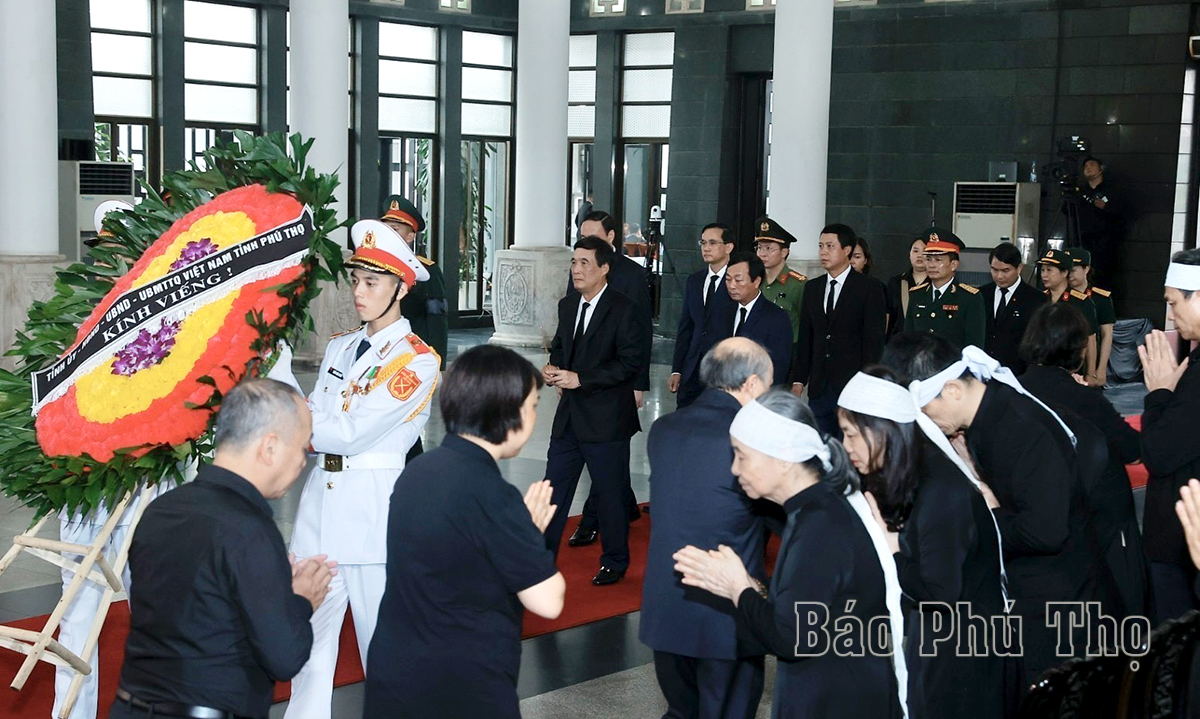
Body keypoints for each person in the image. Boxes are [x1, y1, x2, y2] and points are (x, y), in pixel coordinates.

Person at [271, 219, 440, 719]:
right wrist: (277, 368)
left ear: (400, 287)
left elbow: (346, 432)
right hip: (320, 514)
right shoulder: (342, 346)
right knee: (310, 653)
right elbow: (319, 415)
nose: (359, 292)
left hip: (372, 523)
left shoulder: (416, 361)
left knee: (383, 656)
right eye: (357, 280)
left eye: (372, 282)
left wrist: (289, 399)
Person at [882, 335, 1097, 690]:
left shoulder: (1020, 428)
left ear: (951, 390)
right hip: (1024, 590)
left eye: (926, 411)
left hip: (1052, 601)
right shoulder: (983, 419)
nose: (928, 423)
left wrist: (989, 513)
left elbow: (1045, 531)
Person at [673, 391, 905, 719]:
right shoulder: (813, 510)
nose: (734, 468)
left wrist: (738, 589)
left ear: (782, 457)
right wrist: (747, 586)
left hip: (838, 701)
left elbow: (792, 638)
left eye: (741, 455)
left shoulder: (820, 523)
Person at [110, 379, 334, 719]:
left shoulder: (163, 510)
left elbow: (199, 610)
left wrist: (270, 587)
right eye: (302, 448)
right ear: (269, 447)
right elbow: (285, 656)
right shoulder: (248, 529)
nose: (303, 462)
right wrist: (300, 600)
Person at [363, 346, 565, 719]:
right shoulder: (491, 493)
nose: (535, 416)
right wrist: (528, 535)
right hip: (459, 683)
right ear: (509, 411)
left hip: (395, 673)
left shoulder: (418, 471)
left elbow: (457, 560)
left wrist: (515, 535)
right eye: (533, 406)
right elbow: (548, 601)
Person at [837, 369, 1016, 719]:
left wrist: (892, 548)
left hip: (964, 655)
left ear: (883, 432)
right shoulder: (912, 470)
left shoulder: (940, 491)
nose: (846, 447)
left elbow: (940, 593)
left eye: (851, 435)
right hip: (939, 641)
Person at [56, 200, 165, 719]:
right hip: (84, 483)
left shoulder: (166, 319)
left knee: (156, 608)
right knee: (76, 610)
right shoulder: (74, 313)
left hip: (146, 483)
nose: (113, 262)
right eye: (107, 249)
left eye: (125, 250)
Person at [642, 338, 774, 719]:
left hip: (666, 609)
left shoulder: (664, 429)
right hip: (726, 616)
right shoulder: (750, 439)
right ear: (750, 385)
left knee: (683, 710)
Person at [1018, 302, 1147, 621]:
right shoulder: (1087, 400)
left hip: (1031, 530)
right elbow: (1133, 449)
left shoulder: (1013, 391)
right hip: (1096, 526)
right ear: (1076, 348)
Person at [543, 236, 649, 585]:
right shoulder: (568, 305)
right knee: (553, 492)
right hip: (570, 417)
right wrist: (553, 367)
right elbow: (561, 346)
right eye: (574, 262)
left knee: (609, 495)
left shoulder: (625, 309)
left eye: (585, 263)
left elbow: (628, 364)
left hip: (606, 420)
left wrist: (581, 378)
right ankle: (540, 564)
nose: (576, 269)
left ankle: (615, 561)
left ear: (605, 268)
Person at [569, 210, 651, 546]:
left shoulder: (631, 275)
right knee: (604, 460)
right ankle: (624, 504)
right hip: (583, 381)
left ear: (612, 237)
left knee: (608, 456)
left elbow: (642, 332)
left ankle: (592, 520)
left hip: (618, 380)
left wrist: (639, 383)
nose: (587, 242)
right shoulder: (577, 269)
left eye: (595, 236)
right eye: (582, 235)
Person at [1139, 248, 1200, 622]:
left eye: (1175, 303)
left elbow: (1159, 453)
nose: (1172, 315)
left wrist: (1159, 394)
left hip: (1182, 543)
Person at [792, 223, 887, 438]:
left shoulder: (869, 288)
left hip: (852, 385)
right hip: (818, 387)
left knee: (850, 448)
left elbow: (873, 341)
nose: (823, 252)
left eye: (829, 246)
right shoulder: (813, 287)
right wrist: (799, 380)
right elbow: (807, 337)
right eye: (820, 246)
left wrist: (867, 382)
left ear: (847, 250)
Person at [381, 195, 446, 463]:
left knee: (406, 421)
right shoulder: (379, 267)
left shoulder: (427, 271)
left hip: (413, 358)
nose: (390, 233)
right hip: (384, 355)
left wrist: (438, 363)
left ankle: (413, 470)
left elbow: (437, 318)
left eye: (396, 229)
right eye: (387, 228)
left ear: (410, 236)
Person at [669, 223, 735, 408]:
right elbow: (686, 327)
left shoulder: (737, 282)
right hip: (692, 370)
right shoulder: (695, 281)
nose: (706, 248)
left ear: (728, 247)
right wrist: (677, 370)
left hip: (724, 371)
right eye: (703, 242)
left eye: (713, 243)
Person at [720, 252, 793, 386]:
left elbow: (778, 367)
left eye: (738, 280)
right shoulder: (722, 311)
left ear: (757, 281)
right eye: (728, 279)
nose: (731, 286)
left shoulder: (776, 317)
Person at [905, 229, 985, 350]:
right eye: (929, 259)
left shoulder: (969, 297)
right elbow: (908, 339)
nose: (931, 265)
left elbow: (974, 347)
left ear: (953, 265)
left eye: (938, 260)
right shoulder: (917, 294)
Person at [981, 241, 1046, 375]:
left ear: (1019, 268)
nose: (999, 276)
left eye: (1006, 271)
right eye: (994, 270)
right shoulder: (980, 295)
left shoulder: (1036, 299)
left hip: (1019, 373)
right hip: (985, 372)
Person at [1038, 248, 1099, 383]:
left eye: (1049, 270)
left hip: (1072, 372)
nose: (1044, 275)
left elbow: (1090, 339)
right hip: (1042, 369)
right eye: (1042, 270)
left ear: (1064, 272)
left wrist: (1090, 373)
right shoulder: (1039, 299)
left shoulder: (1080, 302)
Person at [1066, 247, 1115, 387]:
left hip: (1089, 364)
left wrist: (1100, 369)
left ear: (1086, 269)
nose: (1070, 275)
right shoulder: (1061, 297)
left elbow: (1107, 335)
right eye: (1067, 270)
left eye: (1074, 270)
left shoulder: (1101, 298)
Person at [754, 216, 807, 343]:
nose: (762, 253)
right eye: (759, 248)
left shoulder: (798, 285)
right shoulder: (755, 281)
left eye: (768, 248)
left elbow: (806, 325)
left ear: (784, 252)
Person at [1075, 156, 1121, 290]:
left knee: (1103, 279)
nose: (1088, 168)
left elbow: (1121, 212)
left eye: (1092, 165)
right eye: (1085, 166)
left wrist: (1105, 207)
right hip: (1084, 241)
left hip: (1105, 243)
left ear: (1101, 169)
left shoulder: (1111, 190)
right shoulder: (1081, 192)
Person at [886, 236, 928, 338]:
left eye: (925, 251)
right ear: (909, 255)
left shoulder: (937, 283)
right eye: (915, 251)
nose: (920, 255)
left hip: (927, 343)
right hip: (899, 343)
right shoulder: (896, 282)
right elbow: (889, 316)